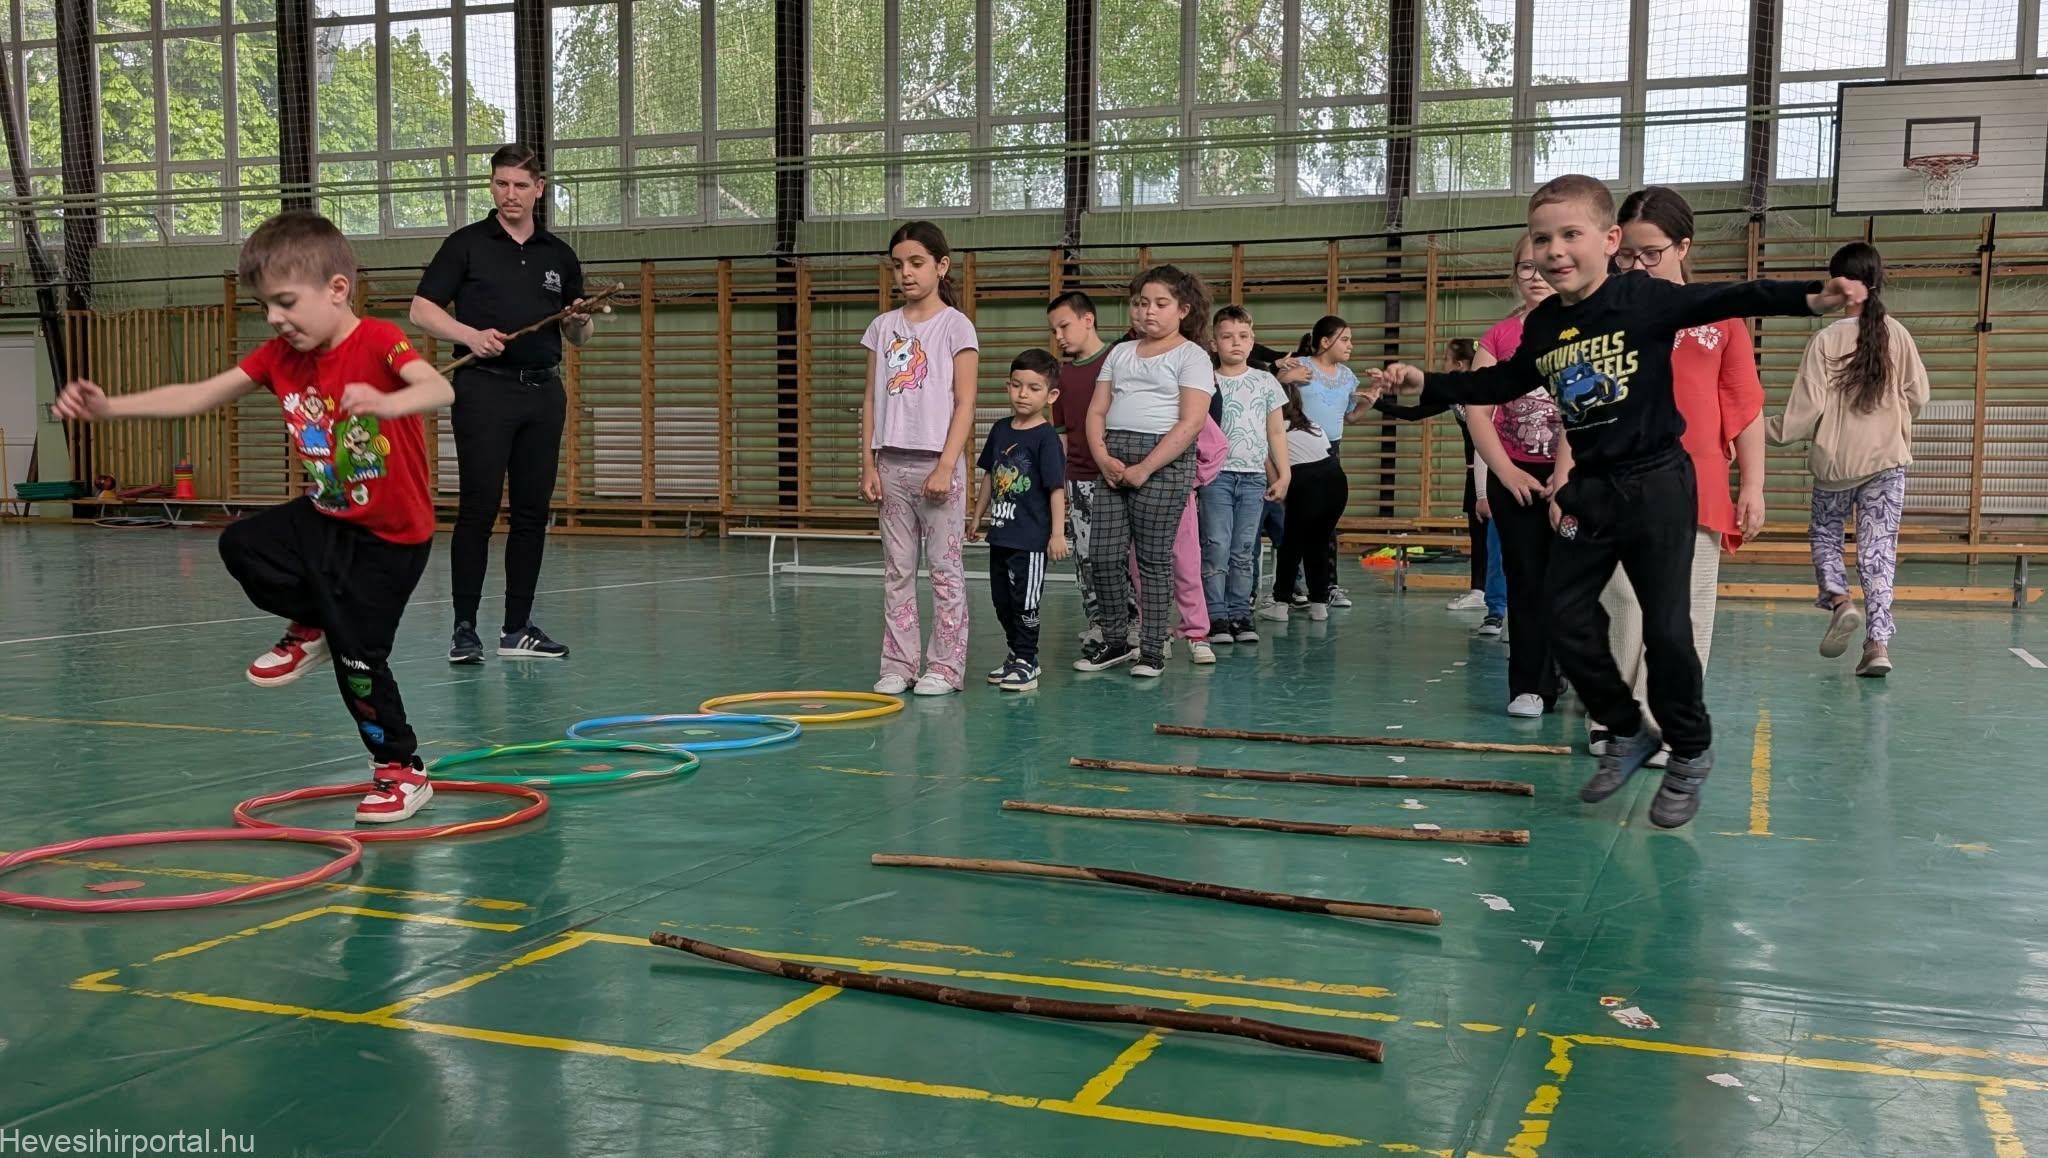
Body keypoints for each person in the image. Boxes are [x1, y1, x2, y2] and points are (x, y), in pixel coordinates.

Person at [1376, 173, 1866, 829]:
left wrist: (1810, 297)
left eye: (1570, 235)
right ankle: (1626, 729)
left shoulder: (1642, 298)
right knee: (1561, 613)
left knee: (1666, 628)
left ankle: (1688, 749)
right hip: (1594, 487)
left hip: (1659, 481)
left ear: (1610, 240)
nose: (1554, 250)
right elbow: (1504, 381)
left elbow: (1732, 295)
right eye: (1542, 239)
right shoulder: (1546, 324)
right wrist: (1427, 382)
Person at [54, 211, 456, 822]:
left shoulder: (378, 340)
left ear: (337, 289)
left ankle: (402, 769)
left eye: (286, 302)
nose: (273, 317)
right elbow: (198, 395)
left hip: (392, 538)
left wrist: (387, 399)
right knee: (243, 543)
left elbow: (438, 389)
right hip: (328, 515)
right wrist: (110, 407)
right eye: (265, 305)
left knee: (359, 662)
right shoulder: (279, 357)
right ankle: (312, 624)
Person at [1593, 186, 1771, 757]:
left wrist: (1753, 485)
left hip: (1698, 484)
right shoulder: (1607, 314)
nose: (1638, 266)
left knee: (1685, 609)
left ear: (1683, 247)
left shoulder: (1721, 317)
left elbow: (1744, 406)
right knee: (1622, 598)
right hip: (1619, 481)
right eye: (1627, 255)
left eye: (1652, 253)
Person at [410, 144, 593, 665]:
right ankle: (464, 629)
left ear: (539, 189)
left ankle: (517, 629)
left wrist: (579, 321)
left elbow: (579, 336)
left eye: (520, 185)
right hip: (484, 389)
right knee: (479, 508)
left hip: (543, 392)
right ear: (492, 186)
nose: (509, 195)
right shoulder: (466, 244)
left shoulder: (559, 255)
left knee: (532, 512)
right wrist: (470, 335)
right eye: (501, 184)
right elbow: (421, 310)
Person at [1768, 241, 1929, 678]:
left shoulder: (1825, 340)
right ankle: (1877, 644)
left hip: (1837, 465)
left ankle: (1840, 602)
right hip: (1888, 461)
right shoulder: (1898, 334)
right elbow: (1919, 395)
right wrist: (1892, 422)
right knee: (1879, 552)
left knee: (1825, 535)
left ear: (1840, 283)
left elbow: (1800, 419)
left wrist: (1752, 430)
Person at [860, 221, 981, 696]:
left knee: (946, 571)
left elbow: (965, 402)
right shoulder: (882, 327)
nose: (906, 273)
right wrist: (869, 463)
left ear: (940, 266)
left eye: (916, 263)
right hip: (891, 464)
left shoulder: (956, 326)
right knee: (898, 570)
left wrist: (947, 465)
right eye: (898, 265)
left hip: (937, 465)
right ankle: (898, 663)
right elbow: (871, 399)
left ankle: (945, 668)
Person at [1076, 265, 1214, 677]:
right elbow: (1096, 411)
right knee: (1102, 556)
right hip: (1115, 459)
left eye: (1160, 304)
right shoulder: (1120, 353)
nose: (1148, 311)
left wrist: (1145, 467)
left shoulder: (1192, 356)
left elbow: (1191, 422)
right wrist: (1103, 457)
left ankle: (1152, 649)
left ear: (1183, 310)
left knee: (1153, 561)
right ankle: (1116, 640)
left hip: (1163, 462)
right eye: (1140, 303)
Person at [1468, 236, 1567, 716]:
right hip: (1516, 477)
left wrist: (1565, 476)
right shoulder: (1499, 337)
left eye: (1545, 266)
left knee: (1574, 581)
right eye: (1526, 267)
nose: (1537, 276)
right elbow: (1477, 410)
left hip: (1574, 474)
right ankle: (1530, 684)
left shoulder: (1588, 330)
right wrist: (1505, 473)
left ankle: (1571, 667)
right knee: (1525, 578)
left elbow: (1591, 410)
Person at [968, 350, 1069, 691]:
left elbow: (1056, 488)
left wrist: (1057, 533)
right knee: (1002, 601)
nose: (1023, 394)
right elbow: (989, 475)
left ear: (1051, 395)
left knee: (1026, 602)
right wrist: (977, 516)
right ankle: (1016, 653)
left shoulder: (1046, 438)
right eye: (1016, 385)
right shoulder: (1000, 429)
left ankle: (1028, 659)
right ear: (1007, 386)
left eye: (1034, 388)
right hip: (1000, 534)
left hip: (1031, 540)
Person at [1046, 292, 1135, 650]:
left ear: (1088, 320)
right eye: (1054, 330)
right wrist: (1061, 483)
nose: (1059, 336)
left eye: (1064, 326)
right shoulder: (1062, 375)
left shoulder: (1120, 360)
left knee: (1122, 555)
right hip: (1079, 479)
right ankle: (1099, 621)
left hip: (1118, 476)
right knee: (1086, 556)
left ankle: (1133, 621)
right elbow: (1062, 434)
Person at [1200, 305, 1290, 645]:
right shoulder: (1206, 382)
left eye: (1243, 336)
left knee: (1244, 549)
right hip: (1216, 477)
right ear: (1214, 343)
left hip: (1253, 477)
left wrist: (1284, 474)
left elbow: (1276, 432)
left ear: (1252, 341)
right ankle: (1216, 616)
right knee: (1217, 545)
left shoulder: (1265, 381)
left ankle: (1240, 612)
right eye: (1227, 337)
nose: (1235, 343)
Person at [1258, 377, 1359, 621]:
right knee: (1319, 543)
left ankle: (1281, 604)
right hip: (1336, 480)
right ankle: (1319, 604)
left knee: (1291, 545)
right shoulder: (1313, 426)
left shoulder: (1272, 430)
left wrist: (1280, 495)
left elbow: (1276, 477)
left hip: (1306, 479)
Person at [1294, 315, 1364, 608]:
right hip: (1298, 448)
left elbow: (1350, 417)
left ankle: (1328, 585)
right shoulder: (1300, 366)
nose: (1350, 345)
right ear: (1325, 342)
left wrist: (1369, 401)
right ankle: (1293, 585)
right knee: (1296, 519)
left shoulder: (1348, 377)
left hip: (1331, 450)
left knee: (1327, 519)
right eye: (1344, 339)